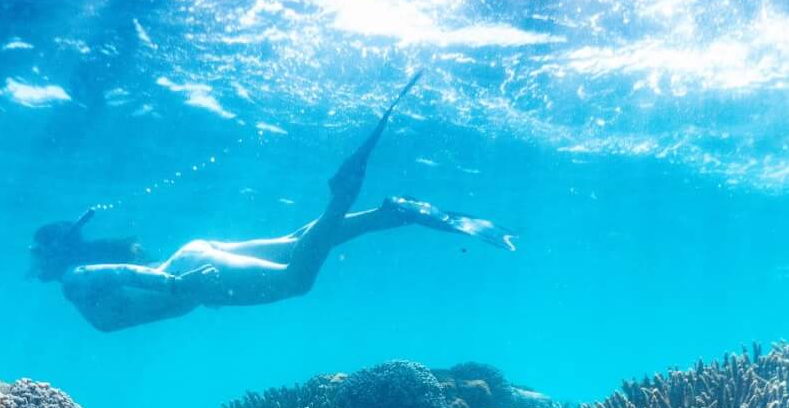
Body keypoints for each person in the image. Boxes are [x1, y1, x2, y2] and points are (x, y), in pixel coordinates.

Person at [29, 74, 514, 333]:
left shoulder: (74, 279)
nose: (33, 262)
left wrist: (176, 286)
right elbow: (124, 276)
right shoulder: (76, 277)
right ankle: (392, 213)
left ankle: (343, 195)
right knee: (292, 243)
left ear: (58, 250)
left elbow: (111, 275)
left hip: (192, 274)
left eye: (38, 252)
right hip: (192, 259)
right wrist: (177, 281)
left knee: (294, 281)